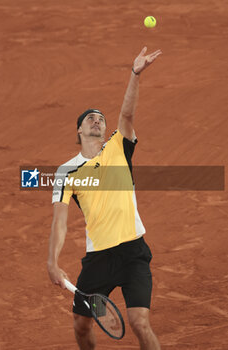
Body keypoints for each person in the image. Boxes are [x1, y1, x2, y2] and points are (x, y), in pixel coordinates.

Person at [47, 46, 162, 350]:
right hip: (98, 261)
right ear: (79, 130)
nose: (97, 120)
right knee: (82, 326)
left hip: (133, 254)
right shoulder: (66, 172)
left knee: (139, 322)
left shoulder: (118, 146)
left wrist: (135, 74)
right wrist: (53, 261)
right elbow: (60, 221)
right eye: (90, 119)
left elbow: (126, 112)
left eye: (100, 118)